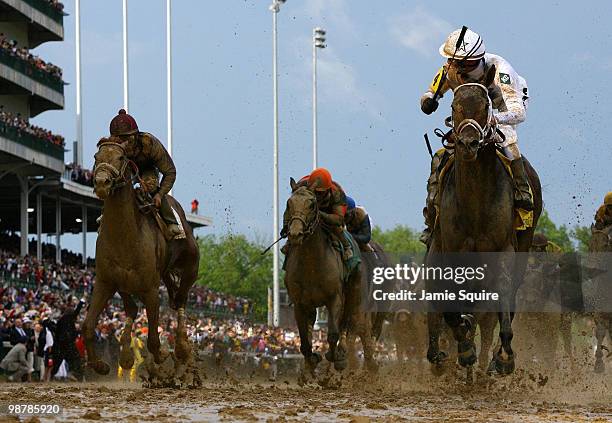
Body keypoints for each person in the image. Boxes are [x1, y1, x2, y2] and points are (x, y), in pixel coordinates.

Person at [419, 27, 532, 245]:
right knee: (441, 156)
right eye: (450, 60)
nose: (452, 65)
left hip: (502, 108)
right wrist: (428, 100)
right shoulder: (450, 69)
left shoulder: (501, 71)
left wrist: (495, 120)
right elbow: (430, 92)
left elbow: (519, 113)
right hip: (469, 114)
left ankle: (522, 190)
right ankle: (432, 209)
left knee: (508, 141)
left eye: (456, 61)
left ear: (471, 60)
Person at [101, 109, 182, 238]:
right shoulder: (111, 147)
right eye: (119, 139)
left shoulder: (149, 143)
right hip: (124, 169)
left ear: (135, 135)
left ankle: (171, 222)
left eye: (126, 138)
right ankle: (105, 214)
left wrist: (160, 195)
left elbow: (170, 172)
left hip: (146, 169)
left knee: (150, 185)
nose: (124, 143)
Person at [281, 168, 353, 260]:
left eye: (320, 192)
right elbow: (291, 207)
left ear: (327, 189)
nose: (318, 194)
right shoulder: (301, 186)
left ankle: (347, 247)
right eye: (316, 192)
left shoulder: (337, 192)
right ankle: (289, 242)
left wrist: (320, 214)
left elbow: (339, 219)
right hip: (308, 208)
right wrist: (286, 226)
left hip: (328, 211)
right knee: (298, 217)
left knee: (336, 227)